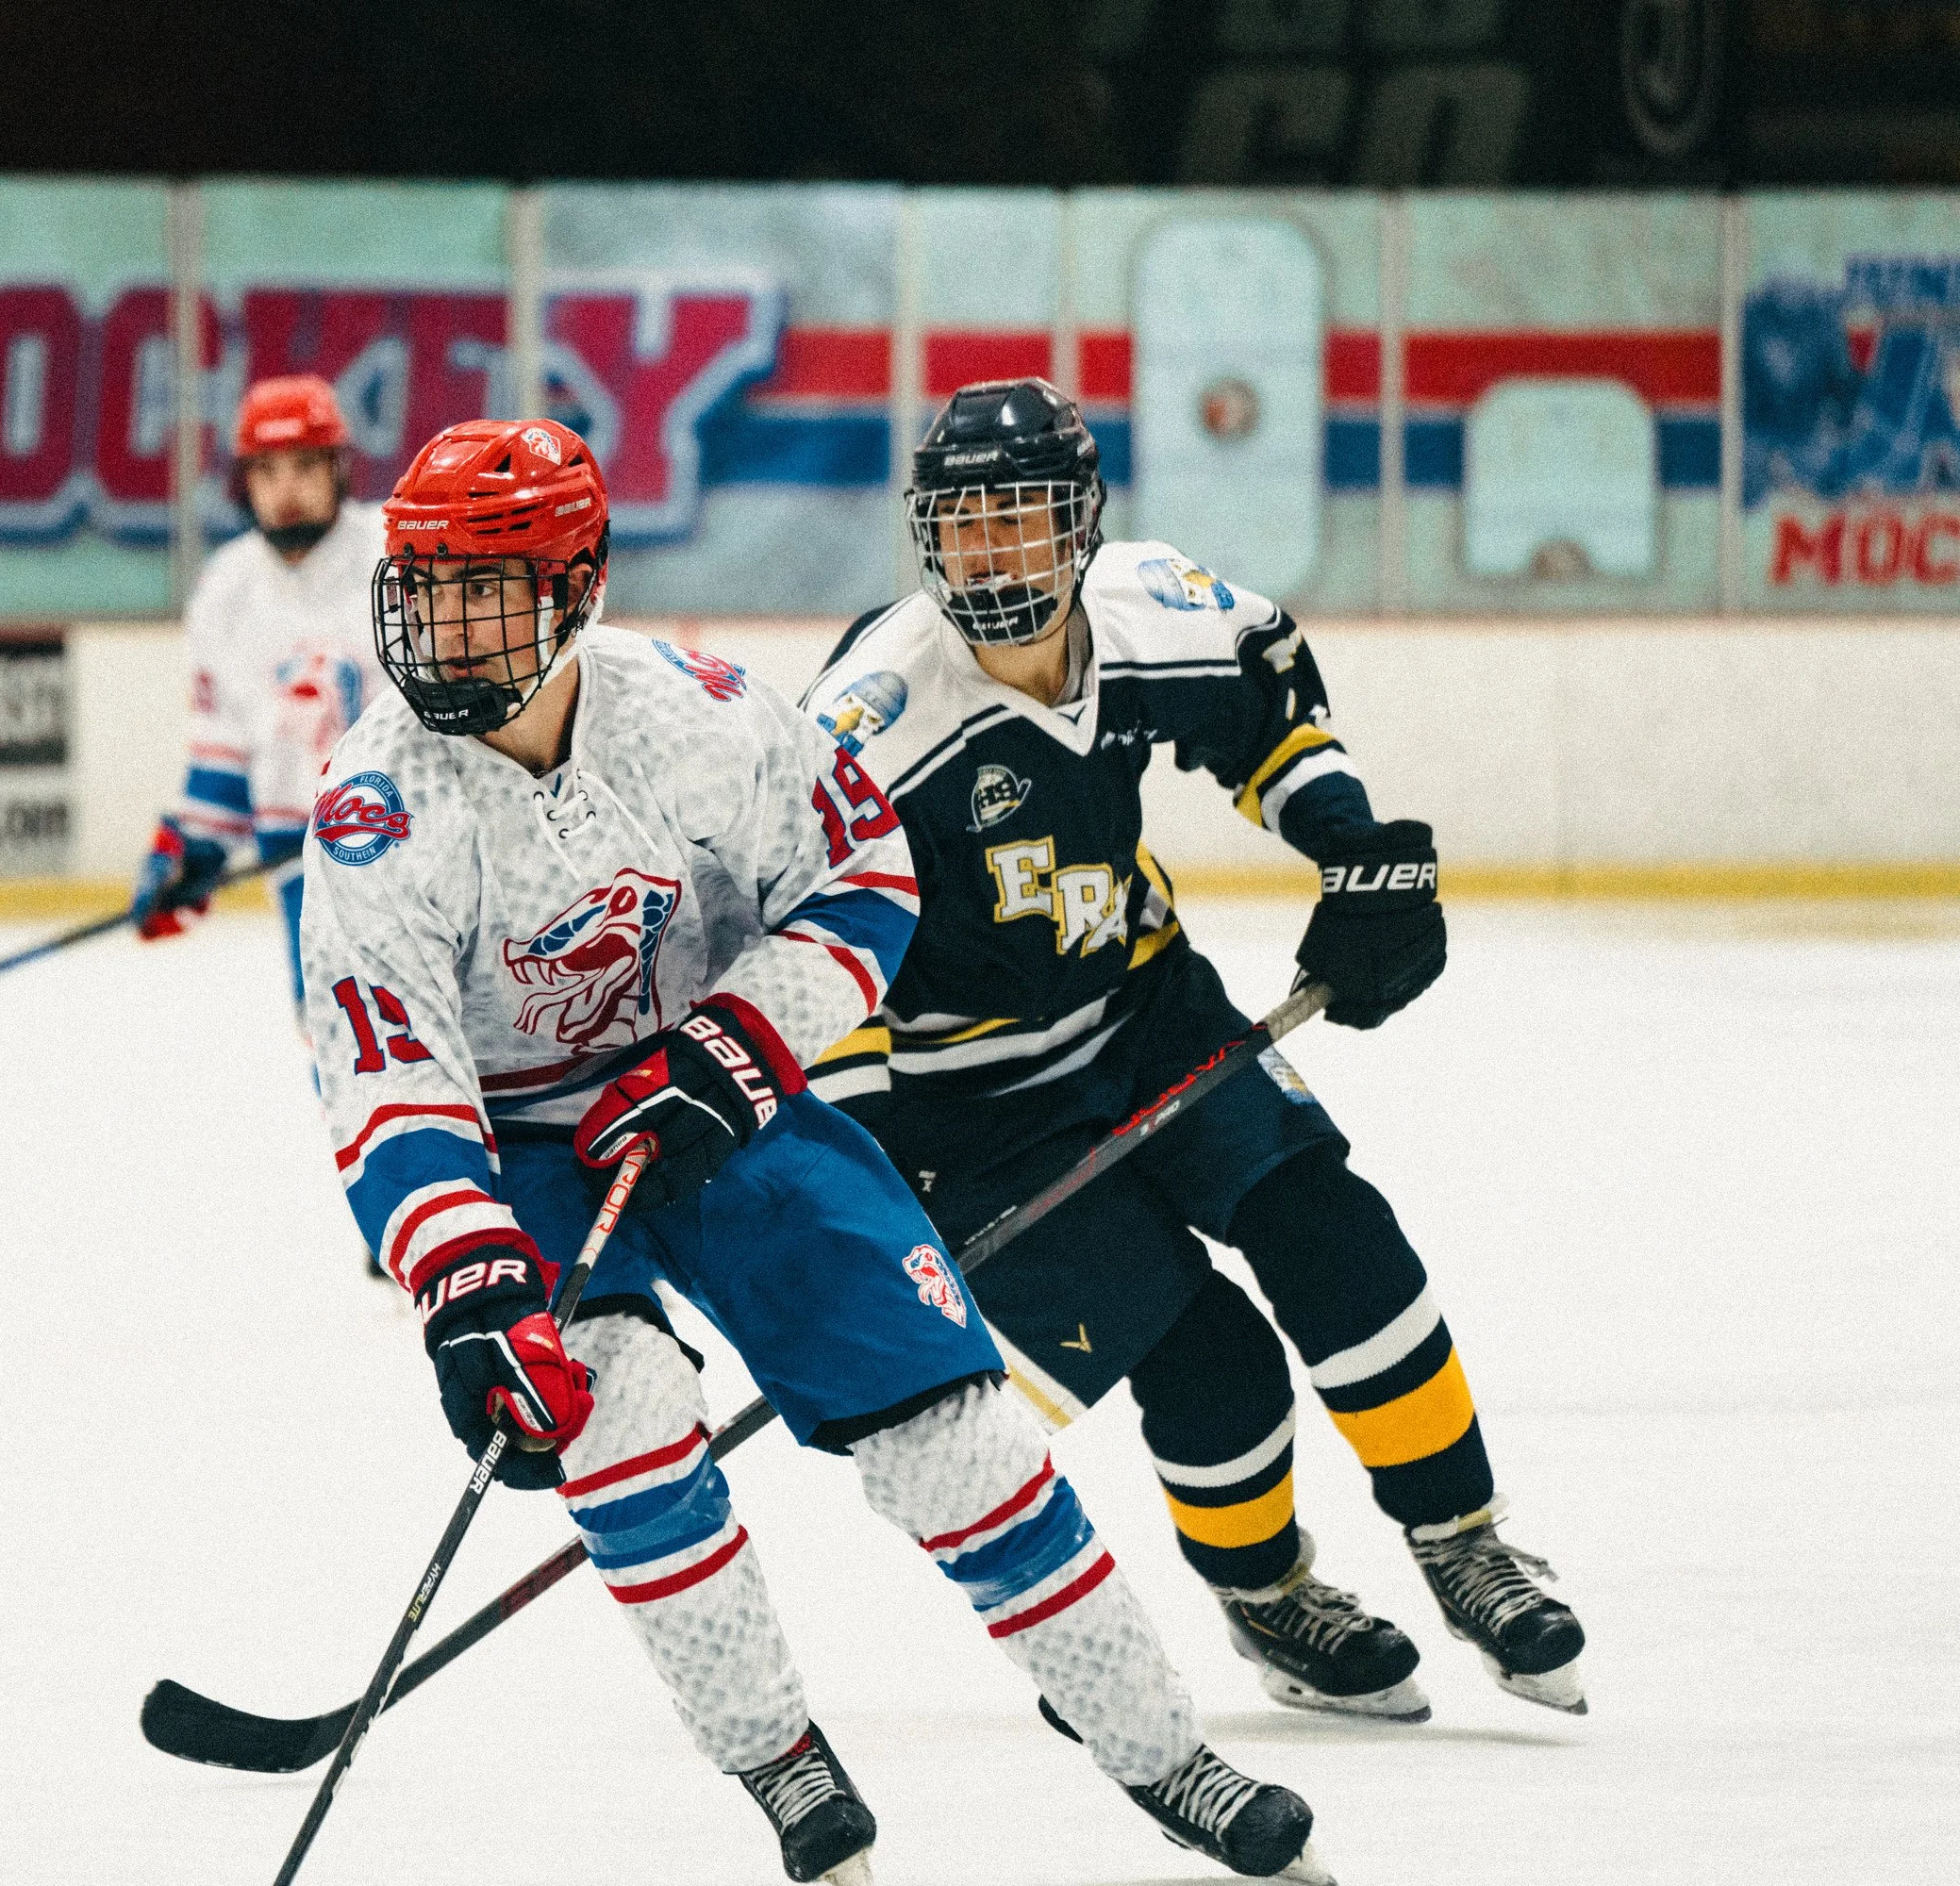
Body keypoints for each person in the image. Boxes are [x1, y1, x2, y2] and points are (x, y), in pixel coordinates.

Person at [298, 415, 1334, 1885]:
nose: (447, 625)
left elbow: (864, 875)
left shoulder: (696, 714)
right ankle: (781, 1761)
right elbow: (391, 1084)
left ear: (579, 584)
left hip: (721, 1101)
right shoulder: (375, 810)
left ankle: (1167, 1756)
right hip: (521, 1148)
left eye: (490, 586)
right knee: (620, 1409)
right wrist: (466, 1294)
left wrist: (729, 1054)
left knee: (960, 1437)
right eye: (428, 584)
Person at [801, 377, 1586, 1724]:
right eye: (965, 526)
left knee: (1334, 1231)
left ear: (1082, 524)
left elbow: (1267, 703)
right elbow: (817, 942)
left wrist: (1354, 854)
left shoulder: (1150, 610)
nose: (993, 555)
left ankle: (1464, 1541)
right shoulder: (871, 727)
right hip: (968, 1108)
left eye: (1023, 520)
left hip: (1147, 1009)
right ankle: (1271, 1596)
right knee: (1210, 1356)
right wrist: (864, 1188)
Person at [130, 373, 381, 1013]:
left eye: (304, 465)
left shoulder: (397, 555)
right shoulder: (226, 590)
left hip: (413, 853)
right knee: (341, 1051)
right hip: (297, 866)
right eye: (266, 472)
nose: (286, 489)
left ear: (339, 469)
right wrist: (193, 851)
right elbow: (226, 750)